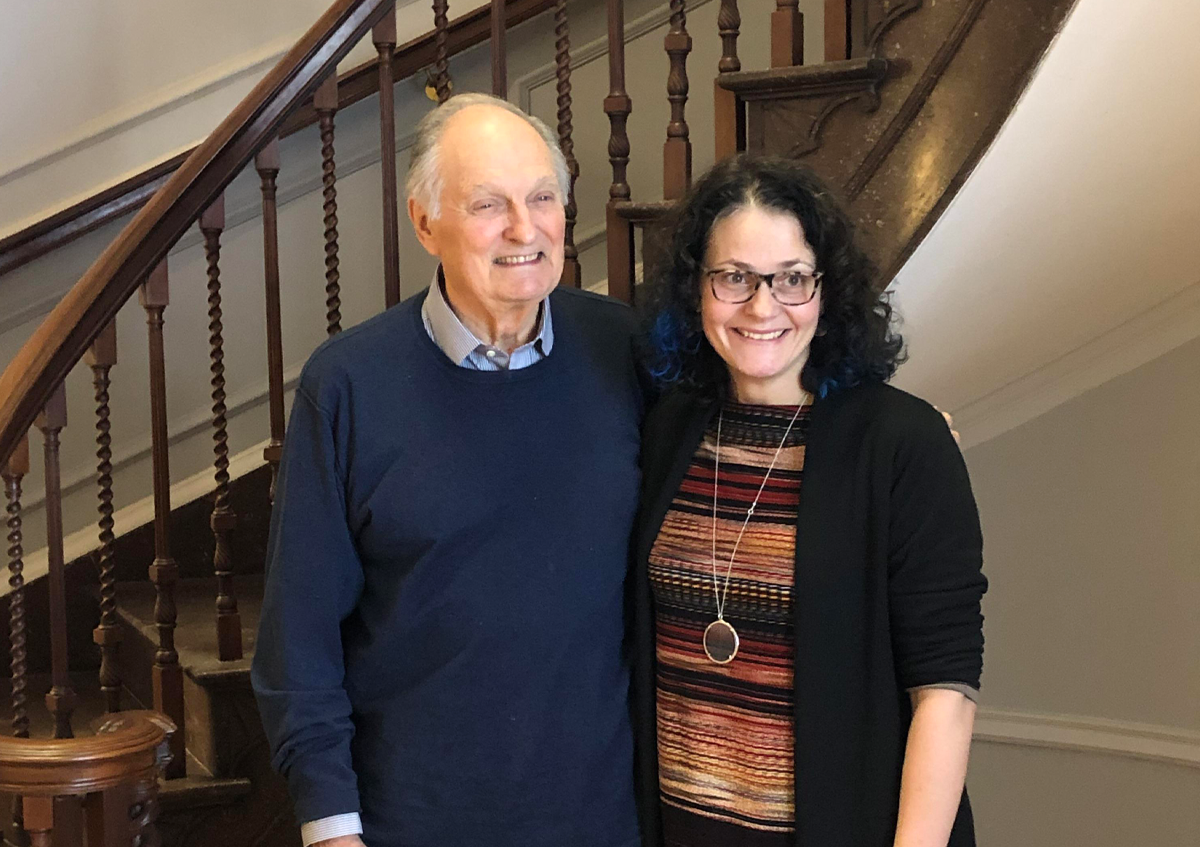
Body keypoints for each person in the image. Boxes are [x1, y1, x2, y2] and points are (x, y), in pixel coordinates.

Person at [251, 94, 645, 847]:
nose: (524, 229)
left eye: (541, 199)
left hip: (601, 820)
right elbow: (298, 640)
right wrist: (332, 830)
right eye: (487, 205)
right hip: (411, 824)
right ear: (424, 222)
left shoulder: (623, 350)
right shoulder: (347, 387)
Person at [632, 156, 987, 847]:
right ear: (695, 290)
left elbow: (944, 689)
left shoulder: (902, 443)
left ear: (827, 292)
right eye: (733, 277)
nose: (763, 307)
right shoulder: (667, 429)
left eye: (792, 278)